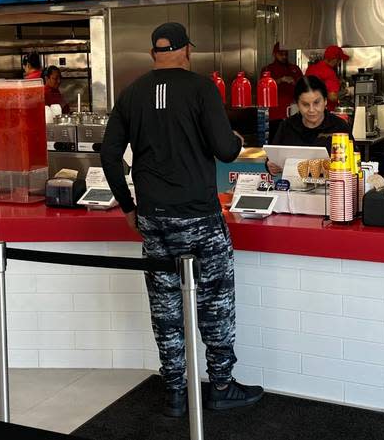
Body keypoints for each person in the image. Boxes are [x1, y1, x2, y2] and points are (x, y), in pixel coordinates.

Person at [101, 22, 263, 418]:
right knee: (217, 303)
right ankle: (221, 386)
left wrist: (127, 208)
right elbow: (226, 150)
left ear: (154, 52)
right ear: (186, 50)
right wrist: (239, 140)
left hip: (154, 221)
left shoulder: (132, 93)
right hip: (200, 219)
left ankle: (175, 391)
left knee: (166, 310)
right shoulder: (201, 89)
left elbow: (108, 155)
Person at [266, 76, 352, 176]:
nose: (311, 110)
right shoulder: (287, 126)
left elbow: (354, 161)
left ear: (325, 101)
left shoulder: (339, 126)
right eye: (305, 104)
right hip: (294, 187)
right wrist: (271, 166)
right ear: (297, 104)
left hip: (333, 188)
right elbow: (272, 157)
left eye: (316, 103)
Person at [260, 42, 304, 137]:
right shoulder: (268, 69)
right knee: (276, 139)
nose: (284, 57)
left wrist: (295, 83)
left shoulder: (295, 68)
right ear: (275, 54)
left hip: (294, 112)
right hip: (275, 114)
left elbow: (303, 86)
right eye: (281, 54)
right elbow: (263, 87)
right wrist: (281, 80)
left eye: (286, 54)